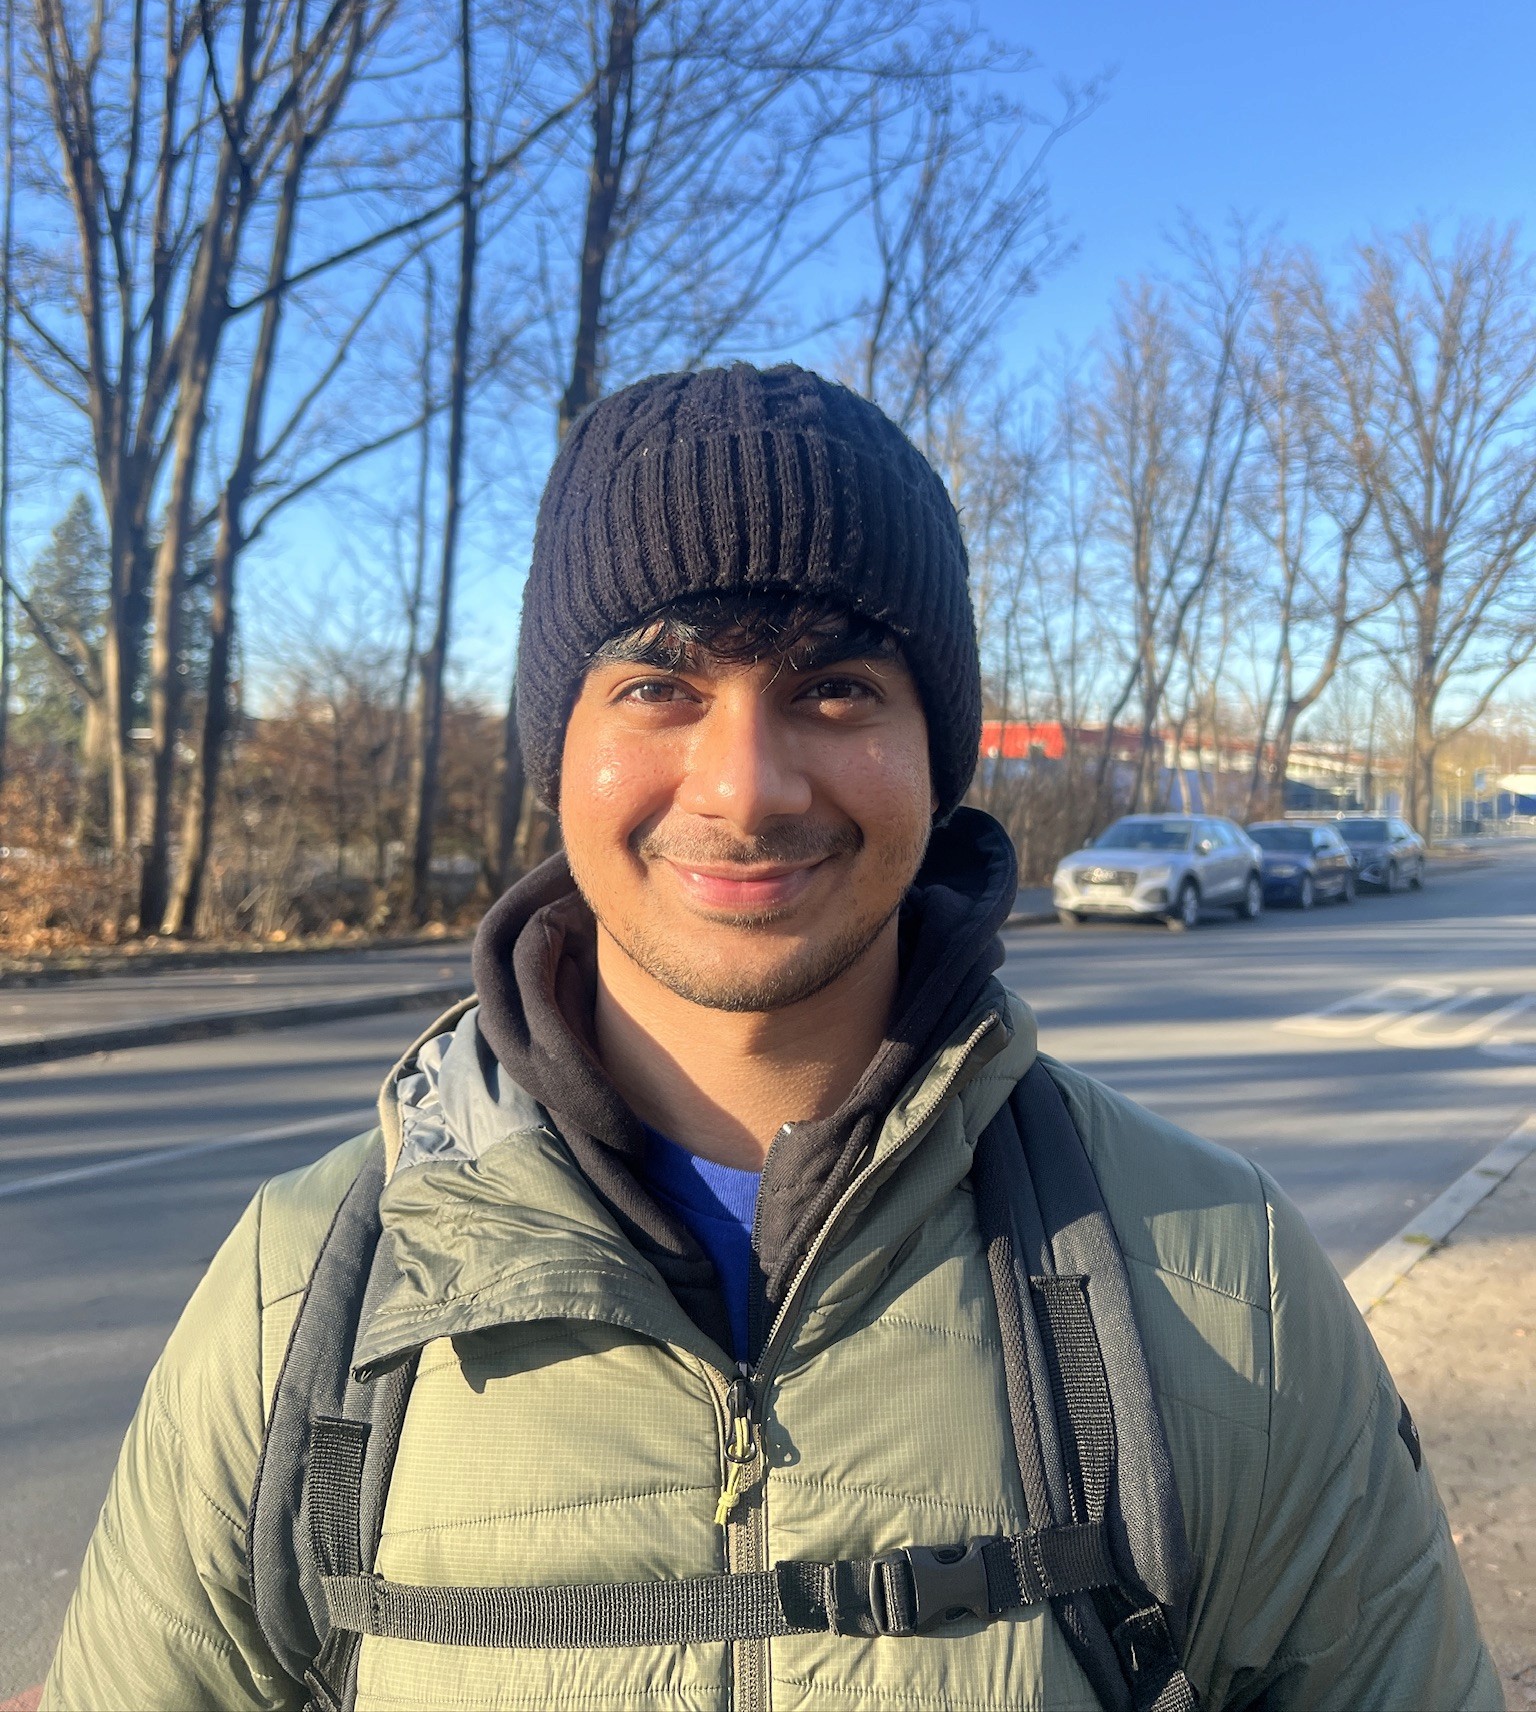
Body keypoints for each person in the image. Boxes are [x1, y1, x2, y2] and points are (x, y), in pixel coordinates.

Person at [43, 365, 1497, 1712]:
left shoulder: (1218, 1277)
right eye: (659, 687)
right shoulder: (299, 1302)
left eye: (834, 687)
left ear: (939, 751)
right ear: (556, 746)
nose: (744, 787)